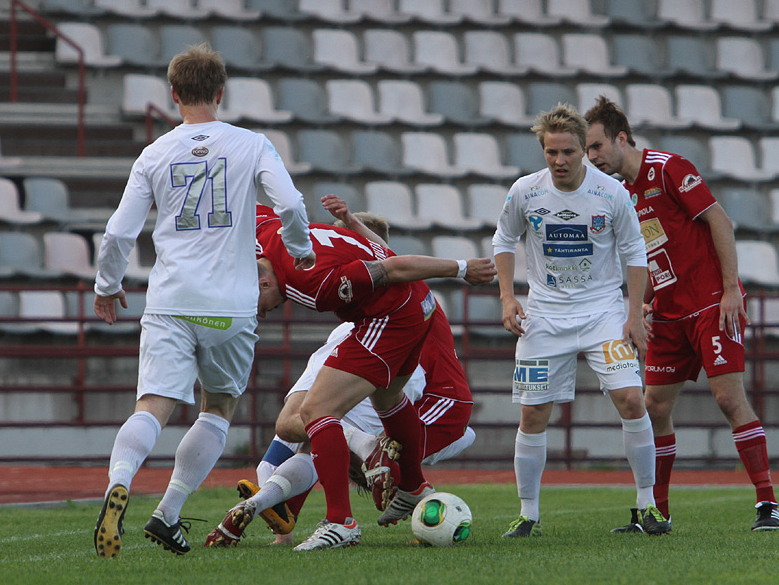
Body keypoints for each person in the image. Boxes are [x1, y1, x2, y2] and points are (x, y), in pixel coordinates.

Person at [92, 43, 315, 559]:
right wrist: (300, 251)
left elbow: (119, 232)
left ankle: (118, 484)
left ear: (173, 95)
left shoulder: (154, 153)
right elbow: (290, 203)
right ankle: (167, 513)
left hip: (170, 300)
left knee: (152, 406)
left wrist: (107, 287)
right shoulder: (251, 144)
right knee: (217, 409)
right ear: (220, 92)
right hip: (230, 305)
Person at [204, 202, 477, 547]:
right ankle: (400, 483)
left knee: (312, 423)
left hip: (414, 372)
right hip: (380, 336)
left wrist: (463, 268)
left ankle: (340, 516)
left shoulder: (322, 277)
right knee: (315, 430)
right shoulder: (290, 243)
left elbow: (391, 266)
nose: (265, 312)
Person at [584, 95, 779, 532]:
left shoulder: (668, 167)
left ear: (621, 138)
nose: (592, 157)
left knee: (729, 398)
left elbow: (720, 223)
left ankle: (768, 505)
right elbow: (654, 251)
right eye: (588, 151)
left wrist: (731, 290)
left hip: (712, 303)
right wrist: (649, 300)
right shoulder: (620, 194)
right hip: (670, 313)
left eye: (596, 146)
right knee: (654, 405)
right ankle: (657, 513)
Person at [492, 102, 666, 538]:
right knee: (533, 414)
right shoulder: (525, 192)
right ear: (542, 151)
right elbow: (504, 239)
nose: (560, 161)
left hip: (603, 313)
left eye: (569, 152)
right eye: (551, 153)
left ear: (582, 150)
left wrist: (633, 314)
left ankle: (648, 506)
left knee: (631, 399)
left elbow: (635, 252)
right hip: (545, 317)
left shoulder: (611, 193)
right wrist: (508, 297)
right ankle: (527, 514)